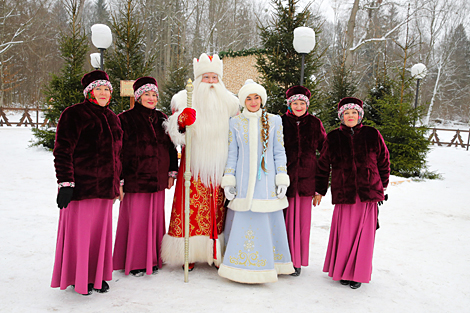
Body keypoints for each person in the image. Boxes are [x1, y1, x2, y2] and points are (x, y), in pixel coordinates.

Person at [161, 53, 239, 270]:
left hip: (221, 165)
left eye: (215, 78)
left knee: (217, 211)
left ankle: (215, 252)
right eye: (207, 78)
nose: (212, 82)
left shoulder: (231, 103)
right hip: (193, 166)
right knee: (190, 208)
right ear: (198, 79)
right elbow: (175, 134)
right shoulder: (183, 99)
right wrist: (183, 123)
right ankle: (189, 252)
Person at [51, 70, 123, 295]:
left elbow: (117, 155)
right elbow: (63, 150)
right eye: (98, 89)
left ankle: (97, 276)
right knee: (81, 235)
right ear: (88, 92)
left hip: (105, 190)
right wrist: (65, 182)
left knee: (99, 235)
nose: (103, 93)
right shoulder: (74, 114)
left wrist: (117, 184)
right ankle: (79, 278)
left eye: (106, 89)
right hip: (81, 188)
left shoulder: (112, 118)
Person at [218, 79, 294, 283]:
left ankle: (271, 264)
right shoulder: (235, 123)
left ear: (262, 99)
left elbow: (279, 151)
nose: (253, 102)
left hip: (266, 184)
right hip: (242, 186)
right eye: (249, 98)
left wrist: (281, 178)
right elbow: (232, 154)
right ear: (243, 101)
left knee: (266, 220)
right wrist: (229, 181)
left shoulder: (274, 120)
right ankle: (238, 267)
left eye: (257, 97)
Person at [316, 97, 390, 289]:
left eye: (354, 113)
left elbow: (384, 160)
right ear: (341, 116)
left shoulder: (372, 134)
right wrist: (320, 190)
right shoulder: (333, 138)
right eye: (346, 113)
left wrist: (383, 185)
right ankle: (343, 271)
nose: (350, 116)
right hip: (345, 194)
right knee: (346, 234)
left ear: (360, 115)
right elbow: (323, 166)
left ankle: (358, 273)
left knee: (364, 236)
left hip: (368, 194)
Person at [112, 77, 178, 277]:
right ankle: (135, 261)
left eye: (154, 95)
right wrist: (120, 180)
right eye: (147, 94)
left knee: (156, 220)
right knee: (138, 221)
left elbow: (171, 147)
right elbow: (118, 152)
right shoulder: (124, 119)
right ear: (138, 96)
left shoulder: (161, 118)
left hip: (157, 179)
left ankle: (154, 259)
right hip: (135, 180)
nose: (151, 98)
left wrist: (171, 173)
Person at [281, 85, 326, 277]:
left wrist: (320, 188)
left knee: (302, 224)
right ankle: (282, 258)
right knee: (283, 221)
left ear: (307, 104)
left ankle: (296, 261)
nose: (298, 106)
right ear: (289, 104)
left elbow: (325, 153)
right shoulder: (280, 122)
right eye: (294, 103)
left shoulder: (315, 124)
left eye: (302, 103)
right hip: (284, 181)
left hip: (308, 181)